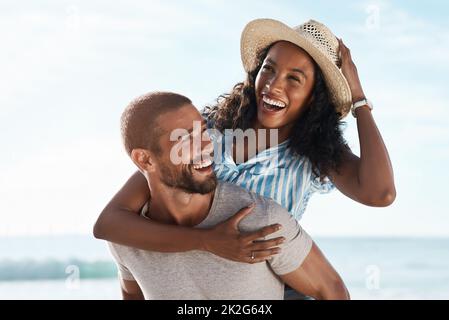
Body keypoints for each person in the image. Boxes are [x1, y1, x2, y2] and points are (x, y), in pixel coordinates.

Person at [94, 19, 395, 295]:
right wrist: (207, 241)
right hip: (194, 277)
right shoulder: (208, 130)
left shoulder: (317, 155)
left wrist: (358, 100)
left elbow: (380, 193)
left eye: (294, 78)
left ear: (314, 96)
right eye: (269, 68)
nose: (274, 85)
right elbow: (110, 223)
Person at [107, 91, 349, 300]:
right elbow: (131, 294)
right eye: (185, 139)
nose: (205, 147)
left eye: (203, 131)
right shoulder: (127, 240)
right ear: (145, 159)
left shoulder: (259, 220)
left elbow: (332, 291)